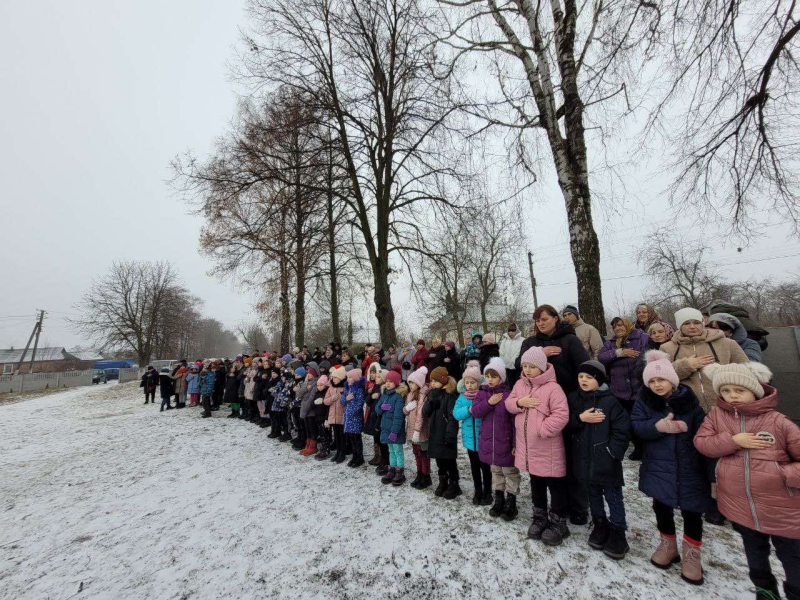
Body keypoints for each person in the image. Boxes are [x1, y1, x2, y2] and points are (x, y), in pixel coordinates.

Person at [695, 362, 800, 600]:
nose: (732, 396)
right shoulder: (717, 416)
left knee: (792, 556)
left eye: (739, 390)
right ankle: (764, 590)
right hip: (740, 504)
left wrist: (783, 475)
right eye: (726, 391)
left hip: (782, 508)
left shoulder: (778, 421)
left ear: (755, 390)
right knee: (754, 551)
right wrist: (734, 440)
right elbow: (703, 443)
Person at [630, 350, 713, 586]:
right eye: (652, 381)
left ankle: (692, 556)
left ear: (673, 380)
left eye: (661, 380)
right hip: (658, 467)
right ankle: (668, 545)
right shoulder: (644, 402)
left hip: (689, 467)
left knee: (692, 511)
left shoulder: (692, 405)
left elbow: (704, 436)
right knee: (661, 506)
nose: (657, 385)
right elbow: (636, 427)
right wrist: (658, 427)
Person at [516, 304, 590, 525]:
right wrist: (540, 354)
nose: (541, 322)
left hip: (565, 402)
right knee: (545, 461)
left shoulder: (569, 340)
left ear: (556, 319)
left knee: (568, 458)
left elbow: (583, 368)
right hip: (537, 407)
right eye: (538, 319)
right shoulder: (530, 342)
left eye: (545, 318)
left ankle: (576, 506)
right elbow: (519, 364)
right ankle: (549, 506)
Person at [567, 361, 631, 560]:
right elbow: (565, 420)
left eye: (589, 377)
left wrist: (613, 452)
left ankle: (618, 530)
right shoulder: (574, 398)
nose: (584, 380)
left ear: (600, 380)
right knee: (592, 493)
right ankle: (600, 523)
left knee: (613, 496)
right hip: (583, 458)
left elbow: (622, 429)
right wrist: (580, 418)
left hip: (606, 459)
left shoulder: (610, 401)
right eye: (581, 377)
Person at [506, 346, 570, 546]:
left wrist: (542, 430)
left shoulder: (553, 388)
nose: (527, 370)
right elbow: (509, 403)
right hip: (528, 448)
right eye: (525, 366)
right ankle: (540, 516)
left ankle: (558, 521)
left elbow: (561, 414)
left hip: (548, 447)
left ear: (542, 367)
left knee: (555, 484)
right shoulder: (519, 385)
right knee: (536, 482)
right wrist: (520, 402)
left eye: (532, 366)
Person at [659, 307, 749, 413]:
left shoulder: (727, 343)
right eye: (687, 323)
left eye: (696, 322)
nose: (692, 327)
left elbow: (747, 371)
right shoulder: (667, 348)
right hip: (687, 408)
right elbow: (660, 377)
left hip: (725, 405)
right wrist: (686, 365)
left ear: (702, 322)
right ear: (679, 326)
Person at [471, 358, 517, 520]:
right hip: (489, 442)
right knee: (496, 471)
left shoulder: (509, 395)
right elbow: (475, 411)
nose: (490, 379)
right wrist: (489, 402)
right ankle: (499, 498)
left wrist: (515, 443)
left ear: (501, 378)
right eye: (487, 376)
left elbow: (514, 422)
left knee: (509, 471)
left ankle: (511, 502)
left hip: (504, 441)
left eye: (494, 376)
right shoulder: (482, 393)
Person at [598, 317, 649, 460]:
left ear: (628, 325)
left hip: (640, 388)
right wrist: (619, 353)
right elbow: (601, 358)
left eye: (620, 325)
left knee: (641, 420)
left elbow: (647, 354)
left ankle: (644, 447)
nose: (617, 328)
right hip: (619, 390)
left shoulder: (642, 338)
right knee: (625, 421)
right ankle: (636, 447)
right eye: (615, 326)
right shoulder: (611, 343)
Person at [453, 362, 492, 506]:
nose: (469, 385)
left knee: (486, 467)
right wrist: (468, 410)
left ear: (478, 382)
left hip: (483, 439)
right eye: (467, 382)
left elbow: (487, 410)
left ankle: (488, 491)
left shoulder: (484, 395)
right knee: (474, 467)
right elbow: (456, 414)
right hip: (470, 441)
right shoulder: (462, 397)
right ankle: (478, 490)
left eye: (472, 382)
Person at [423, 366, 461, 499]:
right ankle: (443, 481)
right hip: (435, 433)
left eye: (435, 381)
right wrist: (430, 404)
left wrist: (450, 435)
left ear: (443, 381)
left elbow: (452, 417)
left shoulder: (450, 396)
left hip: (445, 432)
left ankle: (454, 483)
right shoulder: (432, 394)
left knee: (449, 460)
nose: (432, 383)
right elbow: (425, 413)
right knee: (440, 460)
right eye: (431, 381)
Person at [376, 370, 408, 485]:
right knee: (391, 451)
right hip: (385, 428)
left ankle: (400, 471)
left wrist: (394, 431)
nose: (388, 383)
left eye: (391, 381)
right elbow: (377, 409)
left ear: (396, 382)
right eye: (387, 381)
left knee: (397, 451)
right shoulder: (384, 394)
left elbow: (398, 417)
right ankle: (392, 469)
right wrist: (382, 408)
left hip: (395, 430)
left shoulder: (399, 397)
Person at [405, 366, 432, 489]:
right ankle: (419, 474)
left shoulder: (423, 395)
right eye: (409, 382)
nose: (410, 385)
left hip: (420, 431)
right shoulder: (410, 394)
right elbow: (405, 411)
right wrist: (407, 408)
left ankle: (426, 476)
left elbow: (421, 415)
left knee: (422, 453)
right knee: (415, 452)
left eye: (413, 382)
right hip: (411, 429)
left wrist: (417, 431)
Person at [341, 368, 366, 468]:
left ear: (355, 378)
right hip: (348, 419)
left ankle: (359, 457)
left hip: (355, 419)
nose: (348, 379)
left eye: (350, 377)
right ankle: (354, 456)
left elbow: (359, 404)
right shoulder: (348, 389)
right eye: (347, 377)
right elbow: (342, 401)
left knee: (357, 438)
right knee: (351, 438)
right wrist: (346, 398)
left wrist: (352, 412)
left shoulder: (359, 390)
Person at [297, 367, 319, 455]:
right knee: (307, 429)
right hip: (304, 410)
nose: (308, 374)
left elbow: (311, 398)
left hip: (311, 411)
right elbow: (298, 394)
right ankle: (308, 445)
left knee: (312, 429)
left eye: (310, 373)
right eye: (307, 373)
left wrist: (304, 410)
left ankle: (313, 447)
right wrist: (305, 383)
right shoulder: (306, 382)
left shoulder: (315, 384)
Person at [310, 375, 331, 459]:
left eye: (321, 385)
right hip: (318, 417)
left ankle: (326, 449)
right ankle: (323, 448)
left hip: (324, 418)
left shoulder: (327, 393)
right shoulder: (316, 393)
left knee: (325, 434)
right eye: (318, 385)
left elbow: (328, 408)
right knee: (321, 434)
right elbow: (311, 405)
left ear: (325, 385)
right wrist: (315, 403)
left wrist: (327, 419)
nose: (319, 387)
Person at [499, 322, 524, 387]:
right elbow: (501, 352)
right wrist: (502, 363)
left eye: (513, 330)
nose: (511, 332)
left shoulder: (522, 340)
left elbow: (521, 352)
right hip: (507, 367)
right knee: (509, 385)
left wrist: (514, 361)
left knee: (518, 385)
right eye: (509, 330)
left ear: (516, 330)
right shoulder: (504, 341)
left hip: (517, 367)